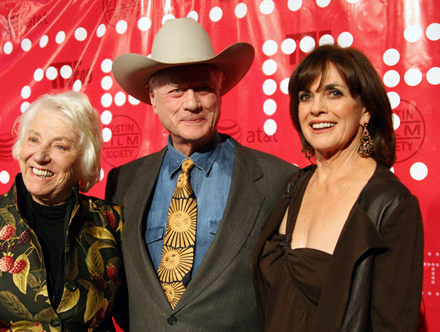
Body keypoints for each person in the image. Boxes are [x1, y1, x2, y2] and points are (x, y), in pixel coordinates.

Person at [105, 17, 297, 331]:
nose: (192, 103)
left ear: (221, 91)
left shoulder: (278, 179)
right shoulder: (123, 181)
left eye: (203, 88)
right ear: (152, 98)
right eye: (177, 91)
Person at [251, 44, 424, 331]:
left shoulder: (391, 204)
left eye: (334, 93)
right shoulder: (294, 186)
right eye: (306, 96)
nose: (316, 108)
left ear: (365, 110)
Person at [0, 91, 127, 331]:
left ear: (84, 160)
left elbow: (137, 313)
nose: (39, 156)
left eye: (60, 146)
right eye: (33, 140)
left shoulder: (112, 222)